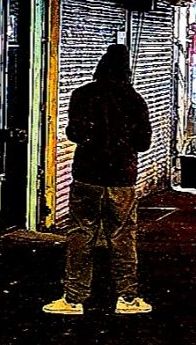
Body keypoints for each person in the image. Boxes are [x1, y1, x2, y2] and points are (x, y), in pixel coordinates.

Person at [47, 43, 153, 315]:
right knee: (122, 236)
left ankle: (73, 298)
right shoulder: (135, 100)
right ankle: (127, 298)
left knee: (81, 234)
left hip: (87, 175)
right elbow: (143, 143)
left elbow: (74, 134)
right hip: (121, 178)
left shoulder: (82, 95)